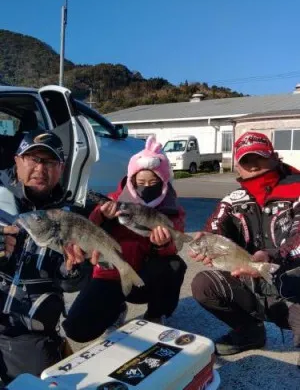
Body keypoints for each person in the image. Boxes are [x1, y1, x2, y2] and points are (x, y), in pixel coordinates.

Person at [63, 135, 187, 343]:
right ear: (131, 179)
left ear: (163, 181)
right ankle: (116, 307)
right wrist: (101, 215)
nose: (146, 186)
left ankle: (156, 313)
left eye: (153, 182)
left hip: (144, 277)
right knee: (76, 329)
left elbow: (175, 243)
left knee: (174, 265)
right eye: (140, 182)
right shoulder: (113, 200)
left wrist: (163, 245)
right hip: (110, 275)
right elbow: (89, 230)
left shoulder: (172, 208)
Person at [190, 131, 300, 358]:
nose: (252, 165)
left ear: (274, 157)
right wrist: (207, 241)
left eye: (258, 157)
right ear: (237, 167)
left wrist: (273, 257)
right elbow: (215, 227)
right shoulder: (232, 200)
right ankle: (250, 333)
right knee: (204, 284)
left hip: (294, 286)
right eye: (245, 160)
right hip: (253, 282)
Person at [0, 129, 96, 383]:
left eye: (50, 161)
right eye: (32, 158)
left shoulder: (70, 216)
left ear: (61, 168)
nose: (40, 168)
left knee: (39, 385)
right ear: (17, 161)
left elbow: (71, 284)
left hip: (27, 334)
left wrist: (74, 269)